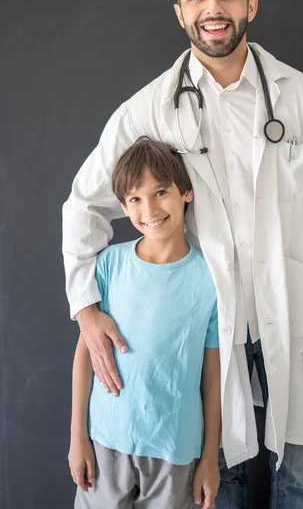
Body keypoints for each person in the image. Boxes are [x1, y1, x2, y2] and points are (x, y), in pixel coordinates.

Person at [62, 0, 303, 509]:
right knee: (216, 481)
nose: (213, 9)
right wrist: (86, 308)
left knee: (300, 475)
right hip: (207, 334)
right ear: (180, 14)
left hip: (299, 324)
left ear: (250, 5)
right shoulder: (150, 108)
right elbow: (84, 205)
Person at [67, 137, 221, 509]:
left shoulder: (211, 278)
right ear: (122, 205)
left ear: (185, 192)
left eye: (160, 192)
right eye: (135, 199)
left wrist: (210, 458)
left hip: (176, 450)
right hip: (105, 443)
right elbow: (86, 355)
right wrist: (78, 437)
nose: (149, 208)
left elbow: (213, 375)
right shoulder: (107, 266)